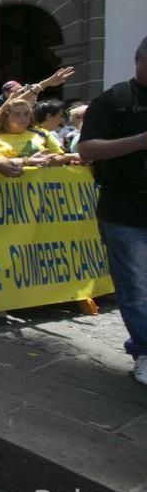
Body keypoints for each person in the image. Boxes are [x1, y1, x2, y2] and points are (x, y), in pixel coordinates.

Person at [78, 35, 147, 386]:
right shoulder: (114, 100)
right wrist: (139, 142)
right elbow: (87, 149)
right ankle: (145, 352)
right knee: (135, 286)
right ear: (138, 60)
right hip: (125, 210)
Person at [0, 99, 66, 167]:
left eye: (26, 114)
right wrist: (28, 161)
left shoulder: (41, 133)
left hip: (39, 182)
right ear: (5, 117)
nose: (23, 118)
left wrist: (47, 161)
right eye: (17, 114)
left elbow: (61, 157)